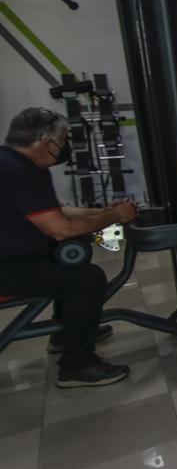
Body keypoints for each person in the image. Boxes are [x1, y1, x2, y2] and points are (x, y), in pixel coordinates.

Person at [0, 107, 138, 387]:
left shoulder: (9, 162)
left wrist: (100, 211)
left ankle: (65, 334)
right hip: (6, 267)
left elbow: (56, 211)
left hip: (11, 257)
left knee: (67, 261)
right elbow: (60, 229)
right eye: (62, 141)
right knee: (86, 279)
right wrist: (114, 217)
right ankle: (77, 365)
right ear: (45, 142)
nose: (63, 148)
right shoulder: (23, 173)